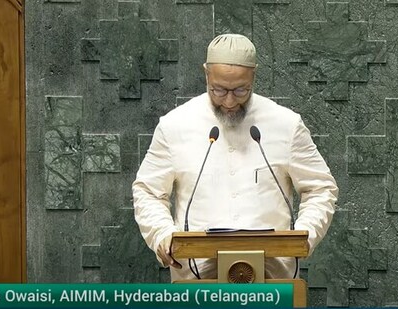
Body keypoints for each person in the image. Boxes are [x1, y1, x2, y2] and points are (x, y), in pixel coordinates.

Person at [132, 33, 338, 281]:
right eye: (218, 90)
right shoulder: (175, 125)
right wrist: (162, 235)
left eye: (241, 90)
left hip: (272, 281)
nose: (229, 101)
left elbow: (321, 188)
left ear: (254, 76)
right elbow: (148, 191)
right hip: (196, 280)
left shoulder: (286, 125)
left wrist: (305, 234)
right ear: (206, 74)